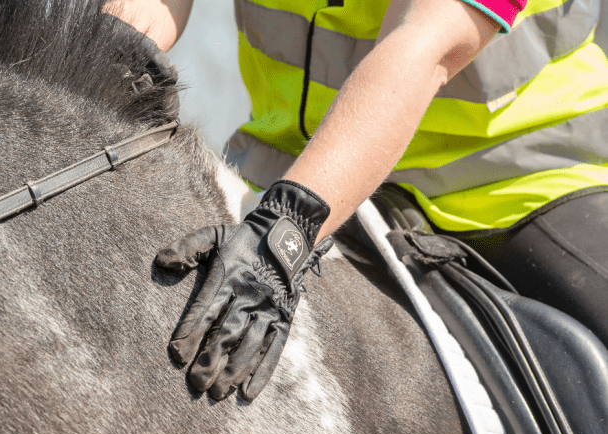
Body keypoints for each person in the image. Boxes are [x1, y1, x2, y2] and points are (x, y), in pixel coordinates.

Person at [104, 0, 608, 401]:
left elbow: (425, 43)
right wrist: (98, 75)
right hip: (286, 167)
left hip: (516, 180)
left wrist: (285, 230)